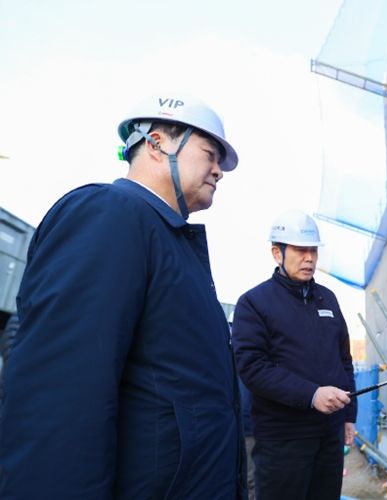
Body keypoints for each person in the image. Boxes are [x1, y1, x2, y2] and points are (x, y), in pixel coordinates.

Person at [0, 95, 247, 499]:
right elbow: (62, 396)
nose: (219, 170)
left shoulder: (171, 244)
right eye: (210, 154)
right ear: (156, 144)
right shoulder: (110, 214)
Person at [231, 210, 357, 500]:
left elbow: (344, 360)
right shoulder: (254, 303)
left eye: (313, 250)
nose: (309, 258)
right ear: (277, 253)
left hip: (329, 436)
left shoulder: (328, 298)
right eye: (300, 250)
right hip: (282, 439)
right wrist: (311, 395)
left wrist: (349, 415)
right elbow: (252, 367)